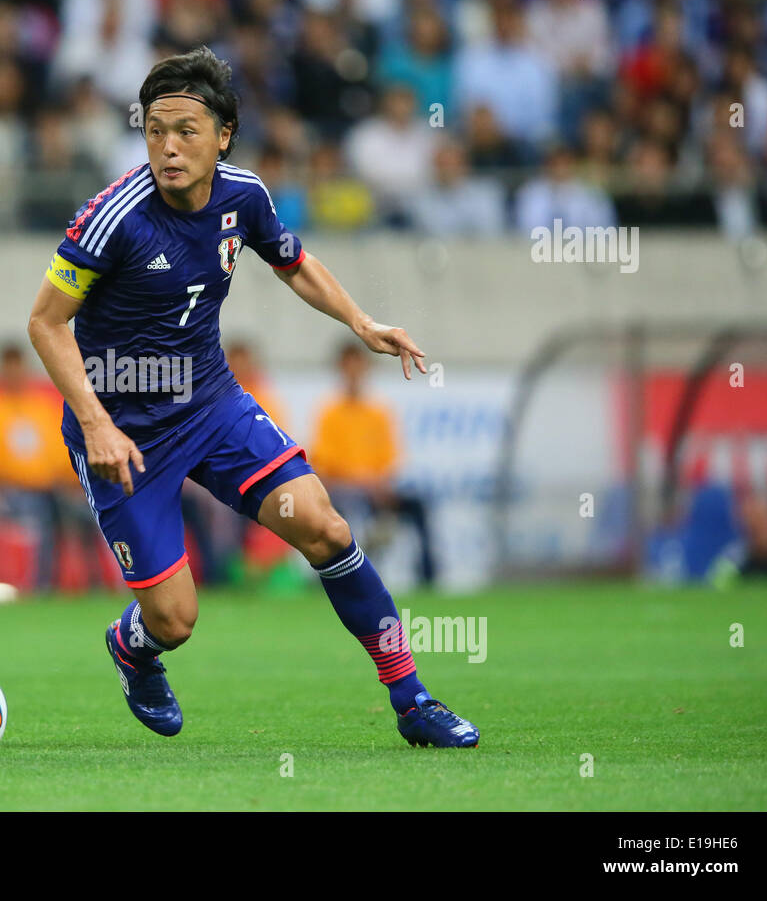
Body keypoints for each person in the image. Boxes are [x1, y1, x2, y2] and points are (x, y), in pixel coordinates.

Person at [26, 46, 477, 747]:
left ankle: (413, 700)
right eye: (154, 131)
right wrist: (95, 424)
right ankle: (132, 646)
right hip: (122, 430)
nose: (168, 148)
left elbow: (292, 261)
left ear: (224, 134)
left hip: (211, 406)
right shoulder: (114, 215)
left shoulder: (246, 195)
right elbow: (45, 322)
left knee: (325, 527)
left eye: (185, 131)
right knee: (175, 619)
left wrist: (360, 322)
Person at [309, 343, 438, 587]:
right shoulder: (329, 413)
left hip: (377, 490)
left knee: (417, 505)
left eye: (358, 366)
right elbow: (326, 467)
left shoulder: (380, 413)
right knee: (349, 504)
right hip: (344, 490)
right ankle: (342, 576)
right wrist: (365, 483)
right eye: (349, 367)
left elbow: (390, 460)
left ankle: (428, 577)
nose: (354, 373)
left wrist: (378, 485)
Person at [0, 342, 73, 591]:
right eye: (9, 370)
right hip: (7, 492)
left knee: (79, 510)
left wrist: (66, 481)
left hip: (50, 488)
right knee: (38, 512)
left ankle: (92, 584)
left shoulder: (41, 407)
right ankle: (40, 585)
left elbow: (60, 452)